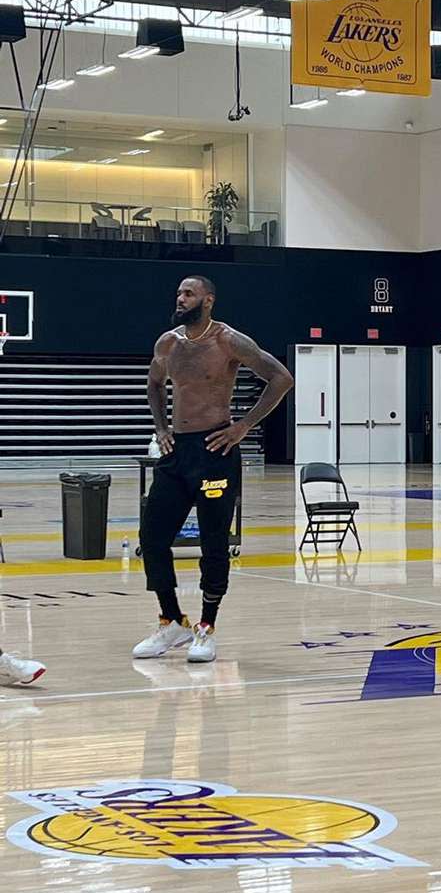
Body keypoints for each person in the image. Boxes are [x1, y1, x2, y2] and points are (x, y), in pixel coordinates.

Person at [133, 276, 293, 664]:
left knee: (214, 542)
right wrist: (161, 427)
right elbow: (153, 384)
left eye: (188, 294)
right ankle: (172, 620)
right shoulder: (167, 343)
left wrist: (243, 427)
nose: (180, 298)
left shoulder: (229, 340)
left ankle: (206, 626)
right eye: (178, 293)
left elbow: (281, 379)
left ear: (208, 300)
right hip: (177, 453)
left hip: (215, 449)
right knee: (152, 537)